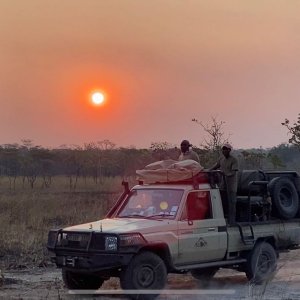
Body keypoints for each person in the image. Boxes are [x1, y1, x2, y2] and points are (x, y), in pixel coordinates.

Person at [209, 143, 238, 224]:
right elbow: (215, 166)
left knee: (231, 204)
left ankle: (232, 222)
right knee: (223, 203)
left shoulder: (234, 160)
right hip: (223, 185)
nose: (224, 150)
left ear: (229, 150)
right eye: (223, 149)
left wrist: (224, 173)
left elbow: (233, 172)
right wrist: (208, 170)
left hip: (231, 186)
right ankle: (224, 220)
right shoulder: (221, 159)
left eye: (226, 149)